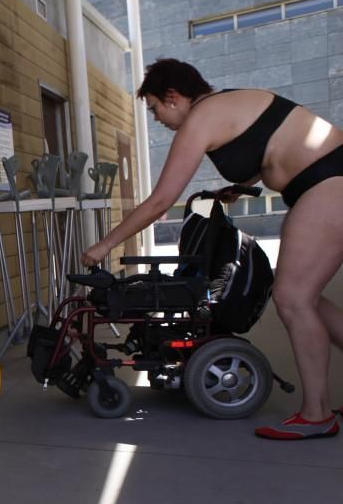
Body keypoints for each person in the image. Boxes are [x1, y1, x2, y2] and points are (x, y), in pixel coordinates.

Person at [81, 58, 343, 440]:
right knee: (308, 300)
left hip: (327, 185)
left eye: (155, 108)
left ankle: (317, 415)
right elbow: (267, 146)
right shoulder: (236, 100)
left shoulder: (200, 119)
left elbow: (159, 202)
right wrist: (238, 187)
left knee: (292, 299)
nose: (157, 119)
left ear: (173, 96)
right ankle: (319, 411)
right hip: (328, 179)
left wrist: (104, 245)